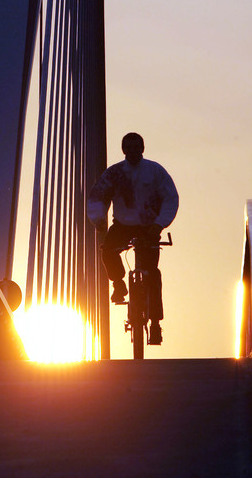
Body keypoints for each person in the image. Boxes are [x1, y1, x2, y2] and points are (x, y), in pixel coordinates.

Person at [87, 132, 178, 345]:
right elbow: (99, 196)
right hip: (122, 226)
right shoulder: (115, 173)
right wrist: (99, 220)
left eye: (136, 147)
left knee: (152, 274)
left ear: (143, 148)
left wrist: (160, 224)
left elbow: (170, 197)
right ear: (123, 150)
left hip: (149, 228)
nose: (133, 151)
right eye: (129, 147)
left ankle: (155, 323)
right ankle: (119, 283)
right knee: (108, 251)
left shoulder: (155, 171)